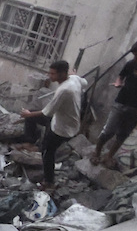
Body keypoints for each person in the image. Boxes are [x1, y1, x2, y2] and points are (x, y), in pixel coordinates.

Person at [93, 39, 137, 168]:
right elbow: (120, 76)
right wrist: (118, 82)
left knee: (123, 134)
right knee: (108, 131)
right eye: (135, 55)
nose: (136, 57)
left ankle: (109, 156)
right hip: (121, 102)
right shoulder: (131, 64)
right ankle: (96, 153)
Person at [19, 60, 87, 190]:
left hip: (62, 128)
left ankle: (49, 182)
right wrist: (74, 76)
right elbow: (85, 83)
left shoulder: (64, 90)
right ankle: (30, 142)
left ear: (62, 74)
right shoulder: (74, 79)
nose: (50, 76)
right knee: (32, 118)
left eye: (53, 74)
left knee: (47, 152)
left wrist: (27, 114)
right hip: (64, 120)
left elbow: (47, 113)